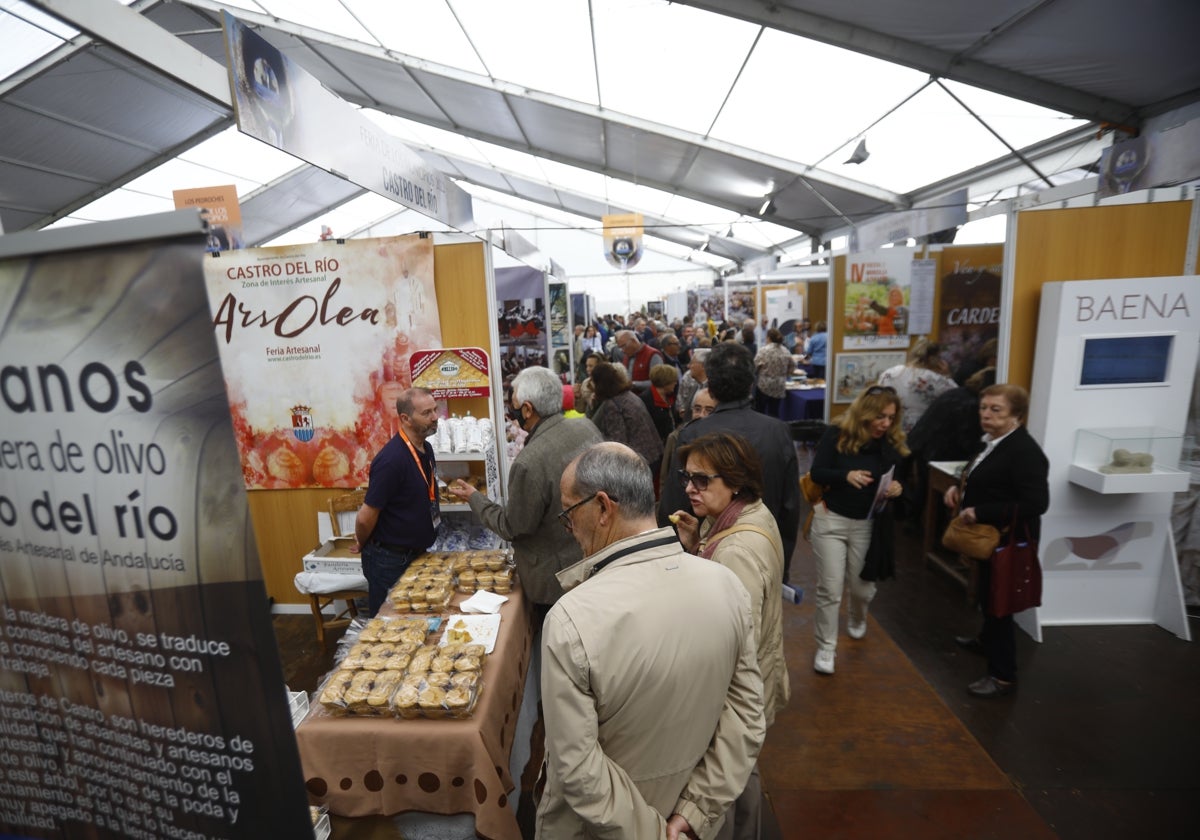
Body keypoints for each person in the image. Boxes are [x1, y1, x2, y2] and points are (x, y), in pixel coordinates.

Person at [537, 442, 765, 838]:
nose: (570, 529)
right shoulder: (725, 583)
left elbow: (576, 767)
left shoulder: (572, 618)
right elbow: (746, 715)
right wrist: (695, 813)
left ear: (603, 507)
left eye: (569, 514)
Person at [669, 431, 789, 840]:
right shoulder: (750, 514)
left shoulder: (736, 549)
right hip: (762, 681)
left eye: (702, 480)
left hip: (736, 698)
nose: (690, 488)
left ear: (734, 481)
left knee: (732, 778)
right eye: (688, 477)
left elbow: (737, 644)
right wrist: (696, 544)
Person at [448, 367, 602, 610]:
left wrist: (476, 499)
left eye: (515, 406)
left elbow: (514, 527)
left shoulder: (529, 462)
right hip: (592, 559)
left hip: (555, 580)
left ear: (528, 409)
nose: (513, 412)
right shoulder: (586, 427)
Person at [661, 342, 801, 582]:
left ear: (710, 386)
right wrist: (783, 562)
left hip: (707, 558)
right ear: (751, 383)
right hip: (762, 547)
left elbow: (674, 507)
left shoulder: (692, 434)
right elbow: (790, 505)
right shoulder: (777, 431)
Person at [943, 383, 1049, 698]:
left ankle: (1002, 675)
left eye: (995, 410)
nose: (985, 415)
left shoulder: (1025, 452)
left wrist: (982, 511)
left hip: (1007, 541)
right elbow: (981, 475)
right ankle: (985, 641)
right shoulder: (993, 443)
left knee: (1000, 604)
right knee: (988, 595)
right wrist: (957, 489)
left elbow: (1036, 504)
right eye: (983, 408)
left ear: (1016, 414)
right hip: (990, 538)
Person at [808, 385, 907, 675]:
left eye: (890, 417)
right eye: (880, 417)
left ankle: (857, 613)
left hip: (868, 525)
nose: (885, 423)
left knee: (863, 589)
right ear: (864, 413)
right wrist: (845, 475)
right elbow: (817, 472)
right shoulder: (837, 433)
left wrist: (897, 488)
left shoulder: (889, 443)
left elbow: (895, 477)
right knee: (830, 589)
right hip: (831, 522)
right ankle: (826, 648)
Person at [354, 387, 441, 615]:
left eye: (435, 410)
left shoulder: (426, 448)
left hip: (417, 553)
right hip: (389, 561)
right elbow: (365, 517)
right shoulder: (391, 460)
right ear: (405, 419)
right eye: (426, 413)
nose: (435, 417)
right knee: (389, 622)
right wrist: (364, 544)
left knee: (414, 622)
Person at [590, 360, 664, 474]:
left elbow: (617, 442)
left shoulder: (613, 405)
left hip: (638, 462)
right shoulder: (628, 395)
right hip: (652, 454)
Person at [878, 338, 957, 435]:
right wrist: (947, 375)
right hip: (920, 432)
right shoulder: (937, 380)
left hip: (889, 427)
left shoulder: (889, 373)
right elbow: (957, 397)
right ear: (934, 359)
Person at [659, 386, 717, 497]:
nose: (701, 415)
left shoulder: (723, 442)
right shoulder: (676, 437)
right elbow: (665, 479)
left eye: (709, 410)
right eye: (697, 409)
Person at [754, 327, 795, 417]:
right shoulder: (786, 351)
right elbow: (792, 367)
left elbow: (755, 366)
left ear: (768, 338)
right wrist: (784, 374)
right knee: (774, 412)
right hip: (779, 386)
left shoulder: (763, 350)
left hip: (764, 385)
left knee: (760, 412)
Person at [639, 363, 679, 447]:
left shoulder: (670, 396)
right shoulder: (646, 400)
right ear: (665, 382)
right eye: (673, 380)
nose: (675, 383)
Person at [615, 329, 664, 393]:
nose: (623, 351)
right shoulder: (627, 355)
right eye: (620, 348)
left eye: (624, 346)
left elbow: (659, 382)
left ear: (633, 341)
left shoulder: (653, 355)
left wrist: (634, 384)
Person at [676, 347, 710, 422]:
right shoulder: (696, 385)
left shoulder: (712, 389)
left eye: (692, 363)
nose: (688, 366)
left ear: (703, 366)